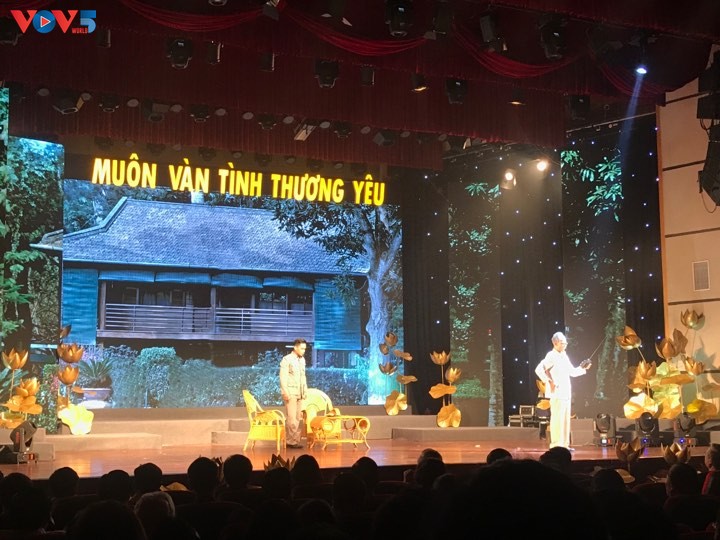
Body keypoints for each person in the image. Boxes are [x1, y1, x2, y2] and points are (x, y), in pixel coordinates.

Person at [534, 332, 590, 449]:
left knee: (565, 420)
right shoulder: (551, 356)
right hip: (557, 393)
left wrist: (583, 368)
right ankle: (556, 445)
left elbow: (572, 372)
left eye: (565, 343)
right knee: (557, 419)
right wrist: (549, 381)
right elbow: (539, 369)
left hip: (566, 393)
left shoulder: (564, 355)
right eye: (562, 343)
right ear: (555, 343)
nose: (565, 345)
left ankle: (564, 445)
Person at [280, 338, 308, 449]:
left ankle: (295, 440)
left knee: (298, 417)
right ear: (295, 347)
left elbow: (303, 376)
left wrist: (305, 390)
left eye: (305, 349)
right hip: (291, 392)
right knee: (291, 418)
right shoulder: (287, 359)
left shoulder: (302, 360)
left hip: (300, 392)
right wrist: (285, 391)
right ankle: (290, 441)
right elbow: (283, 377)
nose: (303, 351)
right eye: (301, 348)